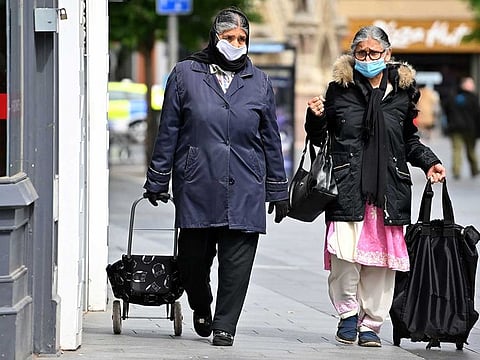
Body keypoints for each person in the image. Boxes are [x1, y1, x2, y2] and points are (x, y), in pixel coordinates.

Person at [143, 7, 289, 347]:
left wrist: (278, 190)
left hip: (246, 183)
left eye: (242, 39)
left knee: (237, 261)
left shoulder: (260, 82)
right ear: (215, 38)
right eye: (229, 37)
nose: (236, 44)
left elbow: (270, 138)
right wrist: (157, 178)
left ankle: (225, 325)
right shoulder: (185, 74)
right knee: (192, 261)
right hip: (198, 181)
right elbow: (168, 132)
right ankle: (201, 303)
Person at [305, 25, 446, 347]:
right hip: (347, 184)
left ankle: (371, 324)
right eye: (361, 53)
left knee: (381, 265)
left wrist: (429, 161)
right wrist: (314, 118)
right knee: (344, 258)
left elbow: (408, 140)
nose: (367, 59)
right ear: (353, 54)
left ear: (388, 54)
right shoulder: (339, 89)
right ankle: (347, 314)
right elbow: (320, 137)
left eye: (374, 53)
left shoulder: (403, 92)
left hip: (388, 188)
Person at [443, 76, 480, 179]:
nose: (472, 86)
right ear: (464, 85)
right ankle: (474, 169)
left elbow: (446, 109)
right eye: (470, 83)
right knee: (470, 151)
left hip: (456, 128)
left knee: (457, 150)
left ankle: (457, 171)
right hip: (469, 128)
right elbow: (477, 115)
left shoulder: (453, 96)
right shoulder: (473, 97)